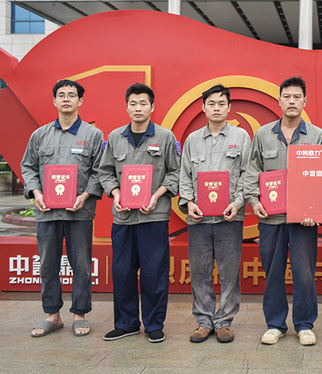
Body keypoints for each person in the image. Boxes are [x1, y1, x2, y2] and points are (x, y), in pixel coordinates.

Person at [243, 76, 322, 346]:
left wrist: (315, 210)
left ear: (305, 101)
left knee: (304, 273)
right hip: (271, 218)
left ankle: (304, 324)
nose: (292, 101)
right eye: (287, 97)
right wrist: (254, 201)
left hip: (303, 220)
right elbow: (252, 170)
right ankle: (275, 324)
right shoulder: (263, 134)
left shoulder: (317, 136)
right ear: (279, 101)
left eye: (296, 97)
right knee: (273, 272)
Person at [98, 83, 181, 343]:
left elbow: (175, 172)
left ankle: (154, 324)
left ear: (152, 107)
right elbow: (105, 172)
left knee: (153, 272)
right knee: (122, 272)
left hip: (153, 217)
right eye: (133, 103)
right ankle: (126, 323)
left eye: (143, 103)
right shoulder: (114, 137)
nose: (138, 108)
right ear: (126, 107)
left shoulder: (165, 137)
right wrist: (116, 194)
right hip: (123, 218)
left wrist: (156, 196)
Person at [21, 79, 104, 338]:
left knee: (81, 264)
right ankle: (52, 315)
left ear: (80, 101)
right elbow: (28, 167)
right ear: (54, 101)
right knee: (47, 264)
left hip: (79, 212)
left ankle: (80, 314)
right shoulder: (40, 135)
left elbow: (100, 170)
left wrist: (85, 195)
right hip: (47, 212)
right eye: (61, 95)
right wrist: (36, 193)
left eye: (71, 95)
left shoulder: (93, 135)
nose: (66, 99)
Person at [178, 85, 251, 344]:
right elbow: (184, 175)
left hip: (229, 218)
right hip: (199, 218)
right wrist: (188, 203)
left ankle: (225, 321)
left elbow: (247, 174)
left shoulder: (241, 137)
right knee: (200, 271)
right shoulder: (192, 140)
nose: (216, 107)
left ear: (229, 108)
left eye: (221, 103)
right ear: (203, 107)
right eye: (211, 103)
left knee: (229, 272)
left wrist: (238, 203)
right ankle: (204, 321)